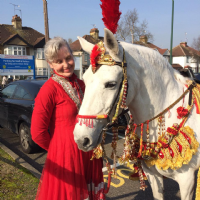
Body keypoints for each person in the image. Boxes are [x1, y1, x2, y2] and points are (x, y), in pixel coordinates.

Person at [31, 37, 105, 200]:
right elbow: (37, 132)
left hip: (89, 152)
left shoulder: (81, 84)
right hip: (66, 159)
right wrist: (58, 151)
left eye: (68, 58)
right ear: (50, 64)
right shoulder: (49, 90)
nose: (66, 64)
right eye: (59, 61)